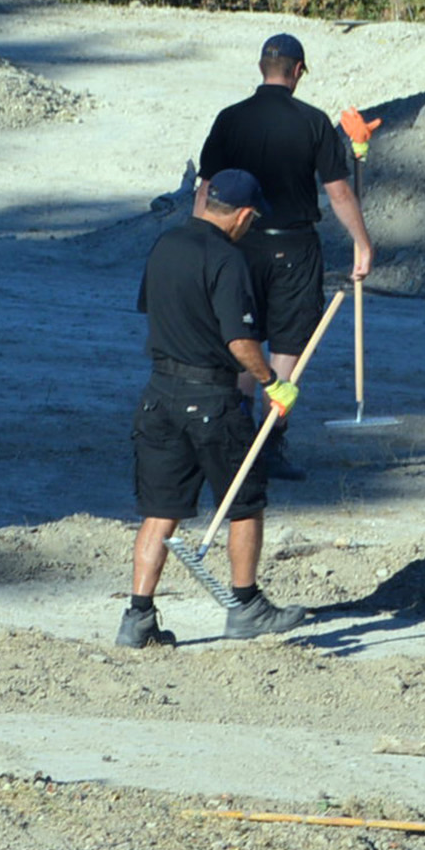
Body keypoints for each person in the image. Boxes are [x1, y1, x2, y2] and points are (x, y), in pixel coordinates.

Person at [122, 168, 304, 648]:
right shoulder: (228, 259)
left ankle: (137, 617)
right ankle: (246, 607)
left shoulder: (165, 245)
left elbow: (155, 310)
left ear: (206, 199)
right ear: (244, 215)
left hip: (159, 394)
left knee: (160, 511)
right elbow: (240, 339)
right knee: (245, 505)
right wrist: (272, 383)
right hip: (213, 402)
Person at [196, 33, 374, 479]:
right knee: (290, 347)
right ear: (297, 71)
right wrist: (363, 242)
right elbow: (338, 192)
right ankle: (270, 445)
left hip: (240, 243)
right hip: (295, 246)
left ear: (262, 68)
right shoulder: (313, 122)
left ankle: (238, 441)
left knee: (242, 337)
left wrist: (198, 242)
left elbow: (205, 189)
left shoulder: (230, 119)